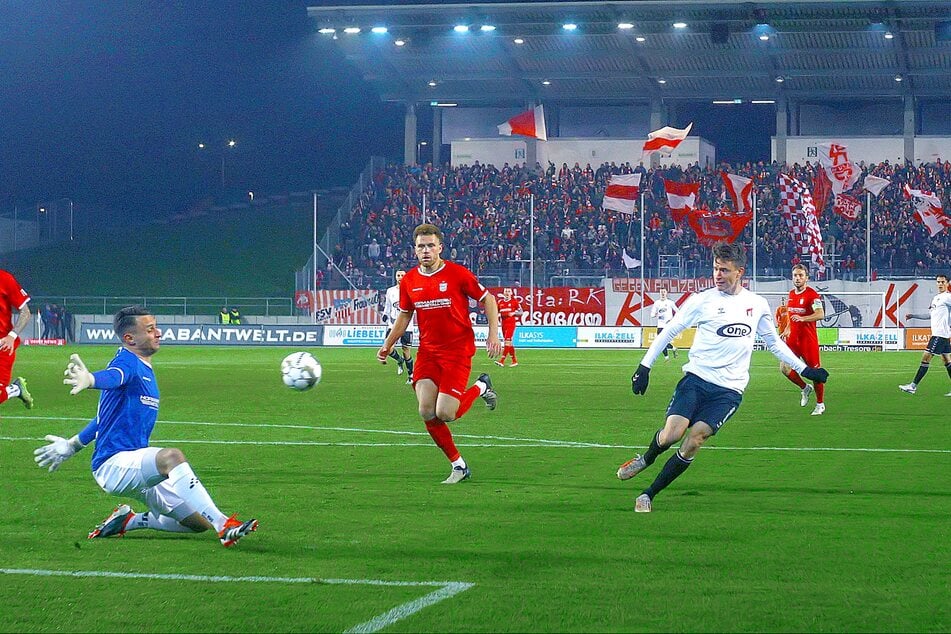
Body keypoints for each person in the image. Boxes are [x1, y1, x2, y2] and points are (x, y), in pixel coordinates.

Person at [617, 242, 829, 513]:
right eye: (716, 268)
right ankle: (646, 459)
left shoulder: (756, 304)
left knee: (694, 440)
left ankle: (648, 494)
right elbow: (670, 331)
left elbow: (774, 343)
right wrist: (644, 366)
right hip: (696, 379)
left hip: (729, 390)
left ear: (739, 272)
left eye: (724, 270)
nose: (718, 274)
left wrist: (804, 370)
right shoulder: (701, 301)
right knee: (672, 434)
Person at [33, 305, 257, 546]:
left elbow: (103, 419)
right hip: (114, 464)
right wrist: (91, 380)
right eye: (150, 329)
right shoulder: (127, 361)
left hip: (135, 463)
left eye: (155, 327)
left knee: (196, 524)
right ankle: (224, 525)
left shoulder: (142, 366)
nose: (158, 333)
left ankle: (128, 521)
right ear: (130, 338)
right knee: (172, 457)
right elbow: (114, 375)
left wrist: (72, 445)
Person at [377, 224, 502, 484]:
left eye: (430, 245)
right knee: (426, 411)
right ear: (415, 250)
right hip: (429, 354)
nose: (426, 250)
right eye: (421, 246)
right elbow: (404, 316)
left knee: (446, 413)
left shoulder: (457, 274)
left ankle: (481, 385)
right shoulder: (410, 280)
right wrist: (388, 344)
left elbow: (488, 299)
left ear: (440, 248)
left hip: (457, 352)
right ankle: (459, 466)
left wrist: (493, 334)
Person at [780, 264, 827, 415]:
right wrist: (787, 328)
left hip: (808, 341)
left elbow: (820, 314)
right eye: (795, 275)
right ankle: (804, 388)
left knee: (815, 373)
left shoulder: (812, 295)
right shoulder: (791, 294)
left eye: (801, 275)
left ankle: (820, 404)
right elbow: (789, 313)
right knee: (784, 368)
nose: (798, 278)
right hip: (793, 340)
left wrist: (803, 318)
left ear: (807, 277)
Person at [899, 273, 951, 396]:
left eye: (943, 282)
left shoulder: (948, 297)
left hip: (939, 335)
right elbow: (930, 315)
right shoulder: (936, 298)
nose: (940, 284)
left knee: (926, 358)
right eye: (938, 282)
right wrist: (913, 315)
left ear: (948, 283)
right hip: (942, 335)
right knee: (947, 361)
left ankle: (913, 386)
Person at [0, 268, 33, 409]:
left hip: (3, 346)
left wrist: (11, 336)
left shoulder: (5, 279)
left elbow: (25, 312)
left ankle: (16, 389)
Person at [381, 269, 415, 385]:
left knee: (406, 350)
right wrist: (385, 315)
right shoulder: (390, 291)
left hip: (407, 325)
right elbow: (388, 305)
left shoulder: (411, 289)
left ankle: (411, 375)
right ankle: (399, 360)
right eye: (398, 275)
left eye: (402, 275)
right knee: (387, 348)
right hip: (393, 324)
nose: (400, 277)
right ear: (396, 277)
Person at [496, 287, 524, 367]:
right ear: (503, 293)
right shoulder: (500, 302)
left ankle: (502, 361)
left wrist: (514, 313)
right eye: (506, 291)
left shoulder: (514, 302)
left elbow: (521, 312)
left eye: (509, 291)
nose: (507, 293)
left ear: (511, 293)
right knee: (509, 343)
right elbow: (497, 312)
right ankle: (514, 361)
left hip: (511, 324)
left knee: (507, 341)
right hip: (503, 324)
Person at [650, 288, 678, 362]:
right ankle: (672, 348)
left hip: (668, 325)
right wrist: (655, 314)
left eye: (664, 292)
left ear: (666, 293)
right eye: (661, 292)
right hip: (660, 325)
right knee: (661, 341)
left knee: (661, 341)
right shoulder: (657, 303)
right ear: (659, 293)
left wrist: (672, 320)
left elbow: (678, 312)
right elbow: (652, 314)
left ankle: (667, 357)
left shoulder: (670, 302)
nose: (662, 293)